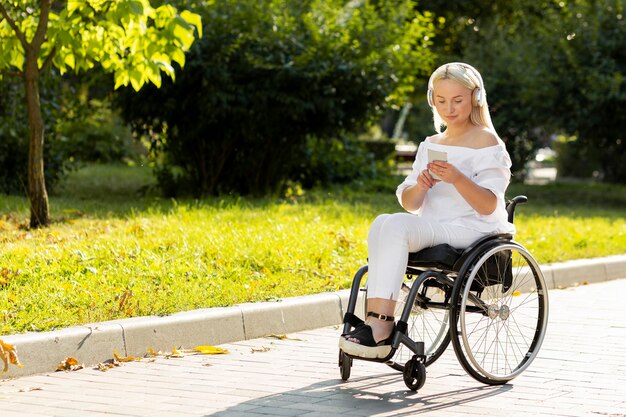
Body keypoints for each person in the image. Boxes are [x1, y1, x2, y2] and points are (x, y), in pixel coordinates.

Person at [339, 62, 516, 359]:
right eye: (442, 101)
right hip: (436, 225)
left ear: (475, 98)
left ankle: (380, 326)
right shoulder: (431, 143)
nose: (450, 108)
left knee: (396, 226)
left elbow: (489, 206)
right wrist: (421, 185)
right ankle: (375, 320)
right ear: (432, 100)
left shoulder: (487, 142)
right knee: (383, 221)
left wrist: (457, 177)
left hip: (472, 229)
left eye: (458, 100)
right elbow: (409, 203)